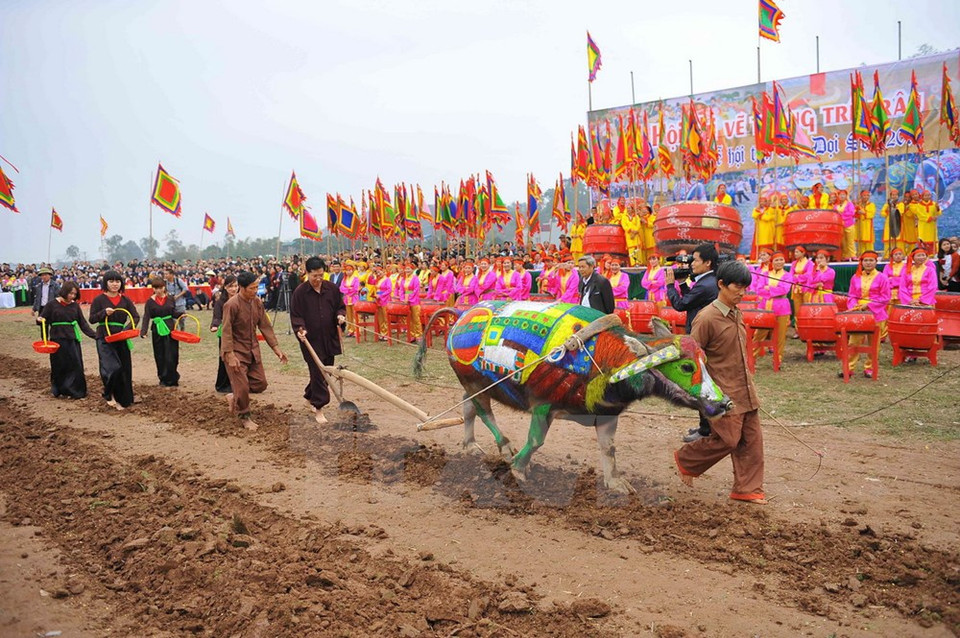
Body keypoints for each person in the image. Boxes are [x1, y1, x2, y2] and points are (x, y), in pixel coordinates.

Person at [674, 260, 766, 504]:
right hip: (722, 392)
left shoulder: (737, 313)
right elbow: (690, 357)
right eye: (738, 287)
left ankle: (747, 489)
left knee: (752, 441)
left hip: (745, 389)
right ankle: (687, 460)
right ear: (721, 284)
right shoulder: (707, 318)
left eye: (746, 288)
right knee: (728, 439)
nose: (742, 293)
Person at [221, 270, 288, 430]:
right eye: (252, 288)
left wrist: (276, 349)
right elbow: (226, 331)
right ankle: (245, 416)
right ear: (242, 288)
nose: (255, 291)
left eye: (257, 287)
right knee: (243, 387)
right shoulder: (231, 305)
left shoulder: (257, 302)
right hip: (235, 352)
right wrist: (229, 354)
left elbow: (265, 325)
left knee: (260, 384)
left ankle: (234, 395)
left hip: (252, 349)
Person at [290, 257, 346, 424]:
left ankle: (309, 395)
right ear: (307, 273)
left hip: (329, 337)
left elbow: (340, 306)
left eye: (321, 275)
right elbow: (296, 315)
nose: (318, 279)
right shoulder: (300, 292)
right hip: (310, 340)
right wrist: (300, 329)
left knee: (325, 371)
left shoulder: (332, 289)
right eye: (314, 276)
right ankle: (319, 407)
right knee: (317, 370)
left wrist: (340, 315)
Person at [89, 270, 140, 410]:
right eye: (111, 281)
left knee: (124, 368)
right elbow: (92, 319)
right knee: (112, 367)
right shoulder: (99, 300)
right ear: (105, 283)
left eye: (117, 281)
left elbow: (135, 317)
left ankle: (123, 398)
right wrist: (103, 313)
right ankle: (108, 393)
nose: (114, 284)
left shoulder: (125, 300)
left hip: (121, 337)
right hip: (104, 337)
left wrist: (127, 329)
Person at [38, 281, 97, 399]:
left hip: (72, 340)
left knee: (75, 365)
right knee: (59, 365)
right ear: (64, 292)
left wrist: (96, 336)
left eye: (75, 294)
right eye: (70, 293)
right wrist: (44, 337)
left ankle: (76, 391)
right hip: (56, 340)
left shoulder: (75, 305)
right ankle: (59, 389)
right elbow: (43, 320)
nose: (72, 296)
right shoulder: (51, 305)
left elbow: (83, 324)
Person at [842, 251, 891, 378]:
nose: (868, 263)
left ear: (876, 262)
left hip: (877, 313)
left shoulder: (882, 277)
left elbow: (885, 297)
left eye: (871, 260)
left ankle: (869, 367)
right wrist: (855, 307)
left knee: (874, 343)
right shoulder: (856, 277)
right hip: (859, 313)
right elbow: (852, 295)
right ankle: (849, 367)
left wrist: (868, 305)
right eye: (866, 261)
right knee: (853, 341)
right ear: (861, 262)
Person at [664, 242, 719, 334]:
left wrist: (670, 286)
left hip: (701, 333)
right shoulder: (711, 280)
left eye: (696, 261)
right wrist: (682, 283)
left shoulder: (704, 285)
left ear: (708, 262)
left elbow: (681, 305)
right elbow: (692, 301)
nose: (692, 264)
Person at [139, 277, 181, 387]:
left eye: (160, 288)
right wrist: (143, 331)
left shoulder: (170, 298)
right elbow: (146, 316)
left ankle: (173, 377)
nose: (158, 290)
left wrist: (181, 314)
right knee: (160, 354)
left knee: (172, 354)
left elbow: (173, 312)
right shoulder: (150, 302)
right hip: (157, 330)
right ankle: (163, 378)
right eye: (155, 288)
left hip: (170, 329)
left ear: (164, 287)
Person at [753, 251, 793, 361]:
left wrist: (769, 288)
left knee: (780, 336)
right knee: (760, 333)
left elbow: (785, 289)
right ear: (772, 261)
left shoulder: (788, 275)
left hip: (782, 307)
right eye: (777, 260)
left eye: (781, 260)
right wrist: (774, 290)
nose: (779, 262)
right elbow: (759, 290)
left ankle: (778, 359)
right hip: (766, 307)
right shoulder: (765, 274)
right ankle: (751, 357)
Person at [210, 274, 238, 393]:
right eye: (230, 286)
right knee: (225, 359)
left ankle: (239, 382)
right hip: (226, 334)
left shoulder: (242, 299)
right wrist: (215, 325)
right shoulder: (220, 302)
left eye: (236, 286)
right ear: (225, 287)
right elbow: (217, 317)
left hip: (239, 334)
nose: (233, 289)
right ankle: (222, 384)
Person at [880, 189, 904, 258]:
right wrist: (887, 211)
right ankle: (887, 255)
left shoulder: (901, 204)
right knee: (888, 239)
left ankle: (899, 255)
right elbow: (882, 213)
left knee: (898, 240)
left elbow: (901, 212)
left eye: (895, 195)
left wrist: (893, 208)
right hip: (889, 222)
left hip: (897, 222)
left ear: (898, 196)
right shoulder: (887, 204)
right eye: (892, 195)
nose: (894, 196)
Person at [837, 190, 857, 259]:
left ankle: (853, 255)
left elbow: (851, 213)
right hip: (840, 226)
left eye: (843, 195)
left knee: (850, 241)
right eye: (840, 195)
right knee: (843, 242)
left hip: (849, 225)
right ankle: (846, 256)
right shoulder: (836, 205)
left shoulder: (849, 204)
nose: (842, 196)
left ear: (846, 196)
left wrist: (841, 216)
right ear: (838, 196)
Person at [855, 190, 876, 255]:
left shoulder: (871, 205)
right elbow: (854, 214)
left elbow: (872, 214)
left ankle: (870, 254)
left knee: (868, 241)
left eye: (867, 195)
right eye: (864, 195)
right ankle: (860, 254)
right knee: (860, 241)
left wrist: (864, 212)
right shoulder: (858, 204)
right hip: (860, 224)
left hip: (867, 225)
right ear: (861, 196)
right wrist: (857, 211)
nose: (866, 197)